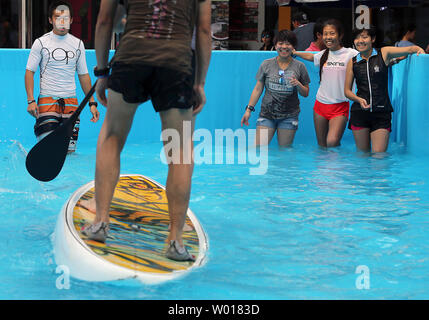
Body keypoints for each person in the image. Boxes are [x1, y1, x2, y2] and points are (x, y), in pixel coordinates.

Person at [82, 0, 212, 262]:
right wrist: (199, 83)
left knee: (112, 136)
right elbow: (205, 30)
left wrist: (102, 71)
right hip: (176, 65)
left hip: (131, 58)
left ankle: (100, 223)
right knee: (180, 151)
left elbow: (104, 21)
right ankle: (175, 241)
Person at [25, 1, 99, 153]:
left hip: (71, 103)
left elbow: (84, 76)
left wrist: (92, 102)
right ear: (50, 20)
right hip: (47, 102)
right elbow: (29, 72)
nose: (62, 21)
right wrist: (31, 100)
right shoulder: (40, 43)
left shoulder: (78, 44)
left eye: (66, 17)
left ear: (71, 20)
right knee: (47, 150)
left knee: (69, 152)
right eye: (58, 17)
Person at [344, 27, 425, 153]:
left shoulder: (383, 53)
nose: (360, 41)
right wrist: (358, 99)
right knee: (362, 157)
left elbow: (410, 49)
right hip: (359, 113)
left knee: (379, 158)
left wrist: (419, 51)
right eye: (357, 38)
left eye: (364, 37)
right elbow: (347, 91)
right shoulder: (352, 62)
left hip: (381, 113)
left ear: (373, 39)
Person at [293, 19, 358, 148]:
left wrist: (391, 59)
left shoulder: (351, 54)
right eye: (325, 34)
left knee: (332, 142)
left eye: (332, 33)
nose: (328, 37)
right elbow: (311, 57)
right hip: (320, 106)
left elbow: (369, 56)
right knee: (322, 146)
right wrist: (294, 53)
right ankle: (324, 168)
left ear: (340, 35)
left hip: (340, 107)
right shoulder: (323, 54)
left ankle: (336, 167)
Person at [241, 30, 310, 147]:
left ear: (293, 47)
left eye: (288, 44)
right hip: (267, 114)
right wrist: (248, 110)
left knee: (285, 154)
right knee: (258, 150)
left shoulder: (300, 66)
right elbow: (258, 89)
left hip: (289, 116)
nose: (284, 47)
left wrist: (298, 84)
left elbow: (306, 93)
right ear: (275, 45)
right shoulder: (266, 64)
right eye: (280, 43)